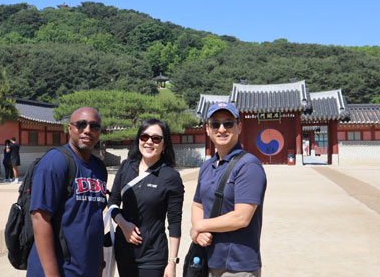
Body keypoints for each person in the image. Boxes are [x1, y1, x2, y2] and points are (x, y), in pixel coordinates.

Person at [27, 107, 108, 277]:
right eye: (81, 125)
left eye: (94, 126)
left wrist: (99, 264)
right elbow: (40, 217)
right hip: (60, 269)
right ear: (70, 129)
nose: (87, 130)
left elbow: (95, 218)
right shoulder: (55, 161)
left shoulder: (99, 167)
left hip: (87, 268)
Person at [190, 102, 267, 277]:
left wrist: (200, 225)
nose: (222, 129)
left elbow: (241, 217)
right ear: (207, 129)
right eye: (215, 124)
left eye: (228, 123)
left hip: (237, 265)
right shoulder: (207, 166)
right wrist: (199, 231)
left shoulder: (248, 165)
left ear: (239, 127)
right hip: (208, 259)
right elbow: (198, 205)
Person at [108, 119, 184, 277]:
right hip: (124, 252)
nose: (149, 142)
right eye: (144, 137)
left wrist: (172, 262)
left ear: (165, 145)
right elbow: (113, 202)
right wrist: (123, 224)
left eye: (156, 138)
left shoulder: (170, 177)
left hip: (153, 256)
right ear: (138, 140)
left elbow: (175, 221)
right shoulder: (126, 167)